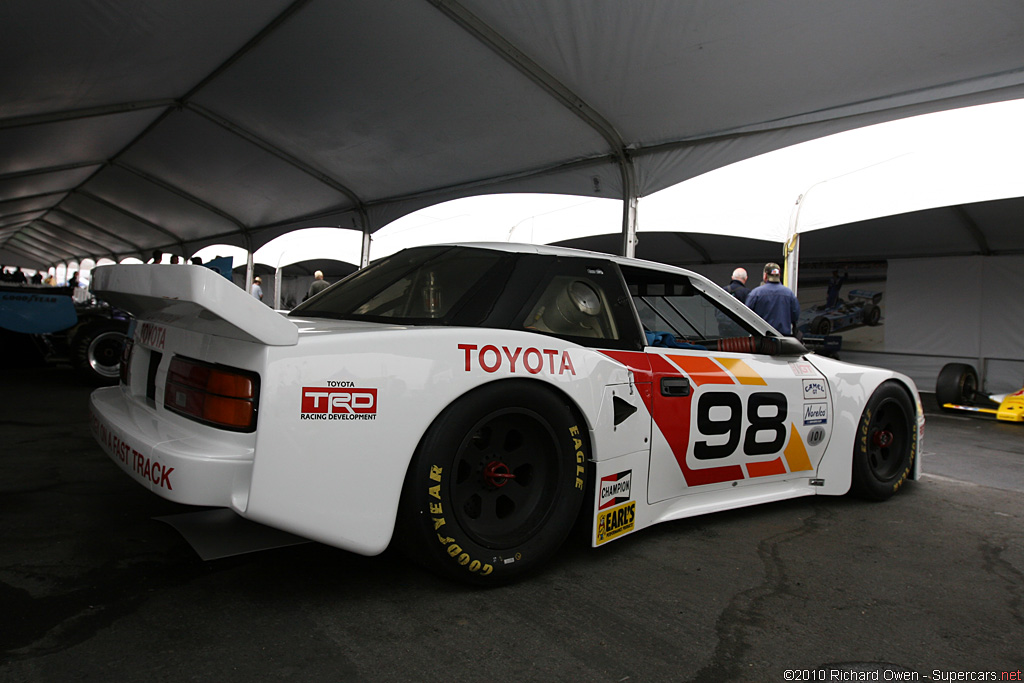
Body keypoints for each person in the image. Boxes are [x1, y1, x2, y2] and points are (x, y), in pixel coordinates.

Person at [745, 262, 800, 336]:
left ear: (765, 276)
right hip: (783, 339)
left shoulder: (755, 293)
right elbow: (795, 316)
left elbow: (746, 315)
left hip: (761, 338)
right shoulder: (789, 294)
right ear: (779, 275)